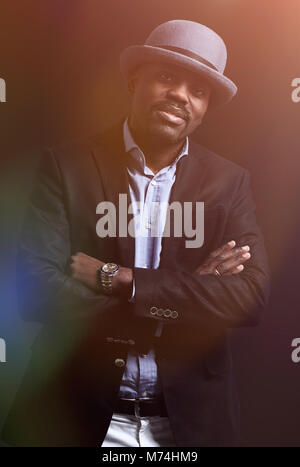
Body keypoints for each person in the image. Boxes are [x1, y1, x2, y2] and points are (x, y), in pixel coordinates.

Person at [2, 20, 270, 447]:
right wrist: (180, 306)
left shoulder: (229, 182)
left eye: (198, 90)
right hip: (80, 417)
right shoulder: (65, 166)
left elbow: (250, 295)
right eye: (167, 77)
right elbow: (39, 284)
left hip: (190, 424)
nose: (180, 96)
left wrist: (123, 280)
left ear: (205, 108)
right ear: (133, 81)